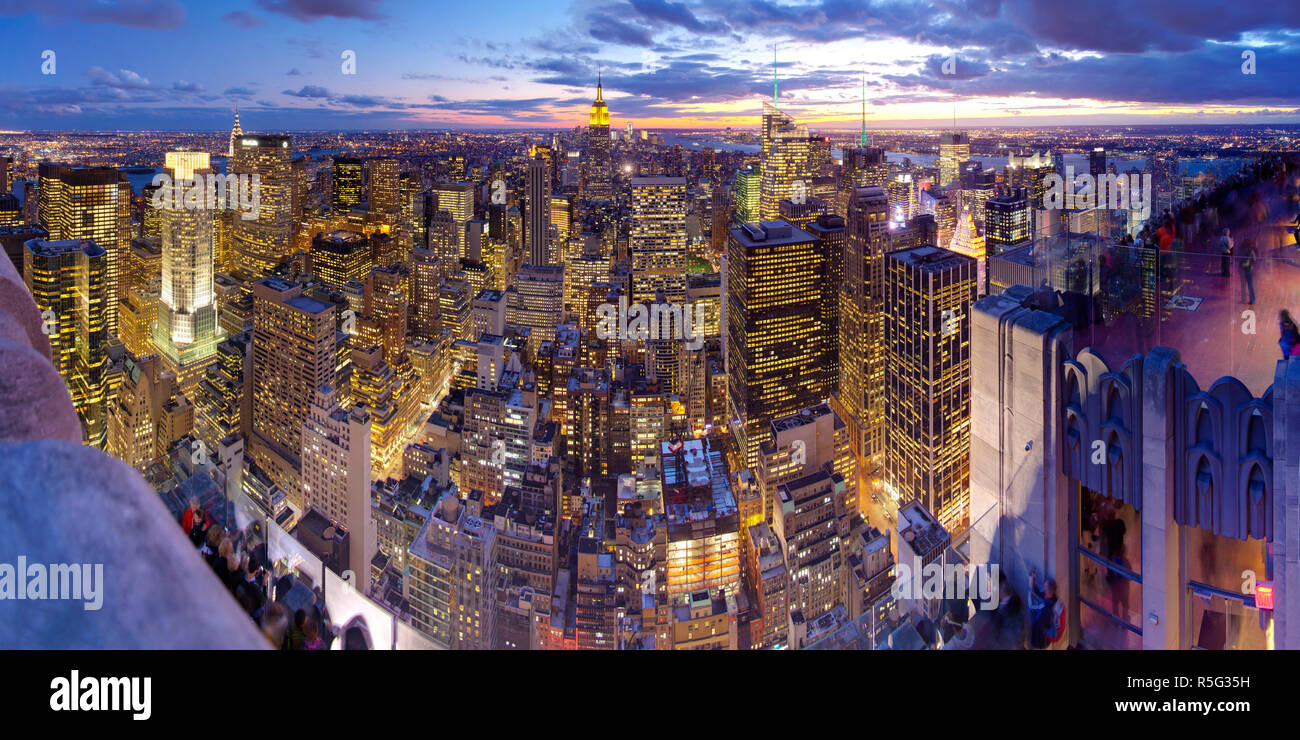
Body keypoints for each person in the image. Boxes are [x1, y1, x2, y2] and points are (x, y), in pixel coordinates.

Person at [1028, 569, 1062, 649]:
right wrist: (1033, 580)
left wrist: (1030, 587)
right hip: (1044, 639)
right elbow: (1039, 593)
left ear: (1047, 590)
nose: (1043, 587)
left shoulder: (1047, 608)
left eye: (1044, 587)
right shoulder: (1053, 599)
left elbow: (1031, 606)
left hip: (1040, 641)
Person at [1238, 239, 1257, 305]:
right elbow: (1254, 259)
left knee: (1243, 285)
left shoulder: (1240, 250)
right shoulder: (1251, 251)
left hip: (1241, 269)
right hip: (1249, 269)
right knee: (1250, 285)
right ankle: (1252, 300)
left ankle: (1243, 300)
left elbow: (1238, 258)